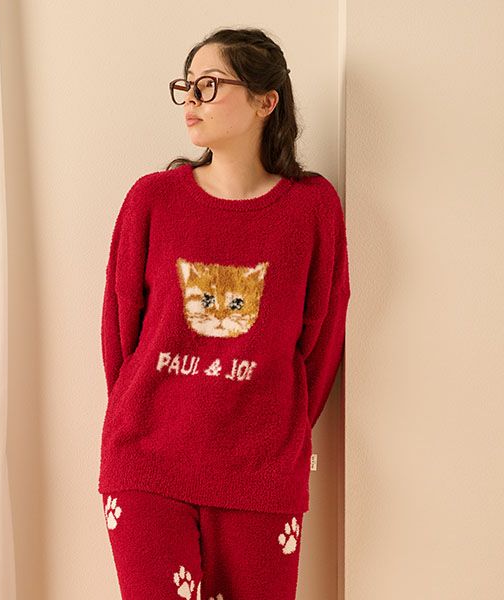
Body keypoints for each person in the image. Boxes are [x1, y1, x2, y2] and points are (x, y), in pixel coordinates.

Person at [98, 26, 351, 600]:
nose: (191, 99)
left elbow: (321, 339)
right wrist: (140, 417)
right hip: (148, 464)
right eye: (187, 86)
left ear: (266, 101)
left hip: (262, 472)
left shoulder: (311, 208)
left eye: (209, 85)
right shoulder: (152, 199)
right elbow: (120, 332)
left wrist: (278, 429)